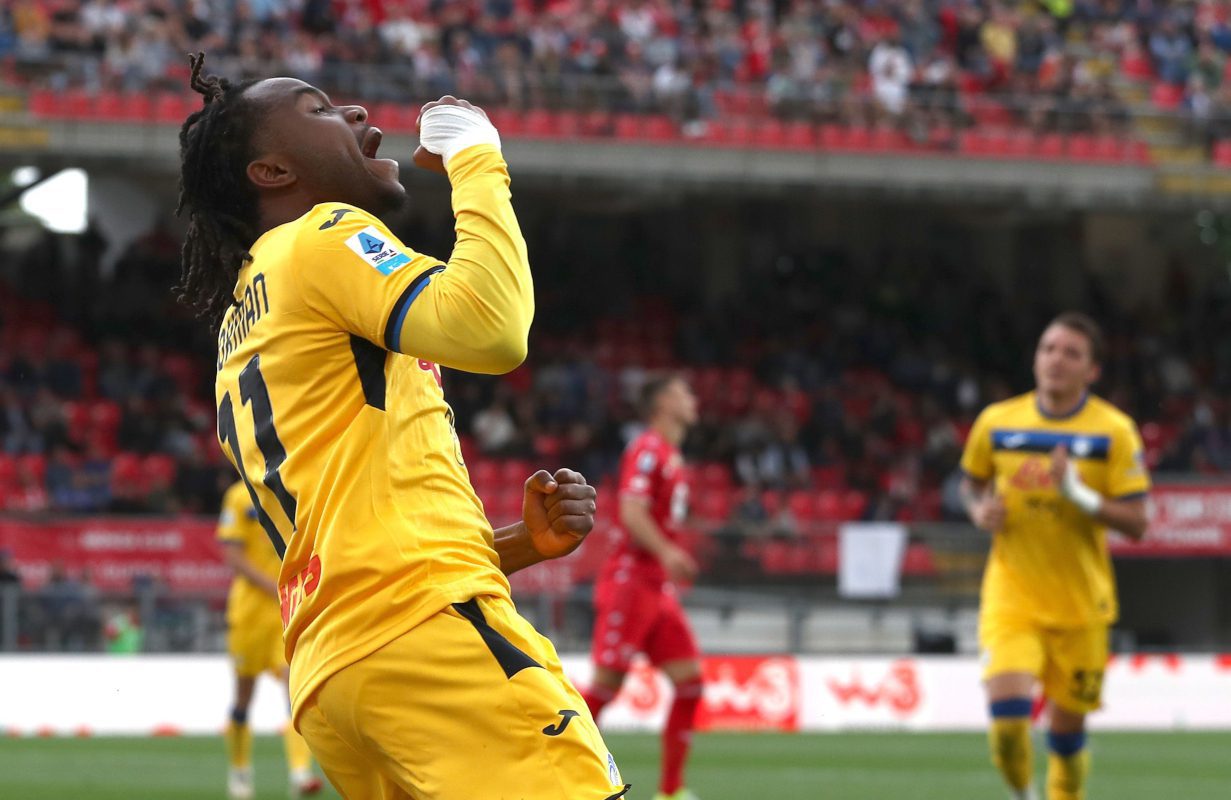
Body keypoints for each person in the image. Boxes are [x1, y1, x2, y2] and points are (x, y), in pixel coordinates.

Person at [174, 53, 624, 800]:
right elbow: (490, 327)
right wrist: (478, 157)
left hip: (335, 674)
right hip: (424, 637)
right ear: (273, 172)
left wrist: (510, 549)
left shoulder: (242, 322)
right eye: (318, 109)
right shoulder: (319, 236)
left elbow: (351, 542)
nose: (353, 114)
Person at [959, 312, 1150, 800]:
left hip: (1081, 606)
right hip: (1012, 599)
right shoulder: (997, 423)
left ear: (1092, 371)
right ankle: (1023, 796)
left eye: (1071, 353)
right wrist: (979, 510)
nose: (1055, 360)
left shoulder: (1114, 432)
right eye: (1048, 349)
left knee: (1066, 738)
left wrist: (1079, 495)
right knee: (1007, 726)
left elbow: (1138, 523)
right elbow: (972, 482)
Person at [583, 374, 704, 800]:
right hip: (630, 582)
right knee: (604, 688)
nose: (692, 399)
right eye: (684, 391)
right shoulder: (648, 450)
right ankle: (551, 776)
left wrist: (667, 559)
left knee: (690, 682)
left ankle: (671, 792)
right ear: (663, 403)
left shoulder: (670, 455)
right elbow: (632, 513)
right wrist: (668, 552)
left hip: (656, 587)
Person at [217, 480, 323, 799]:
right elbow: (233, 556)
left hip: (286, 611)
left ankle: (301, 773)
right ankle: (239, 771)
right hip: (249, 614)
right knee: (243, 697)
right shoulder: (237, 496)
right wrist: (273, 586)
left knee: (294, 691)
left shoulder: (297, 487)